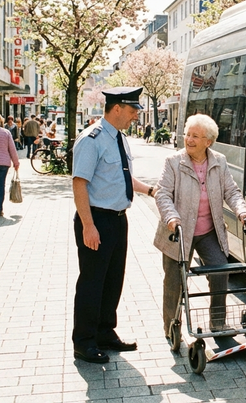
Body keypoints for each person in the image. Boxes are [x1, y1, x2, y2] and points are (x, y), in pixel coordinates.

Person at [71, 87, 157, 364]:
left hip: (119, 220)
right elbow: (79, 183)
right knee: (92, 283)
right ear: (117, 108)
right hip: (97, 219)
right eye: (132, 111)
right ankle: (84, 341)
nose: (135, 117)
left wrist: (152, 191)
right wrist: (88, 225)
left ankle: (105, 332)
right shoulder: (91, 139)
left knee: (112, 281)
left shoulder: (119, 138)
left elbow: (124, 178)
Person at [154, 113, 246, 337]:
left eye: (195, 136)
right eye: (188, 134)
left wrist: (242, 210)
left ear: (208, 141)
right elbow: (163, 194)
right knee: (174, 281)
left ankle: (218, 323)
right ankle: (171, 327)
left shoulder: (219, 161)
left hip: (208, 232)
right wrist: (171, 216)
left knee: (220, 271)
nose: (189, 139)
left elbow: (231, 191)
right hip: (177, 232)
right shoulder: (174, 162)